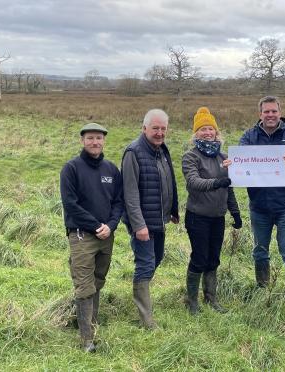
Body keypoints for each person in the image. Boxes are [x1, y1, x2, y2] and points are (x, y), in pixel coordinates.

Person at [239, 96, 285, 309]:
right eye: (266, 111)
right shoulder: (249, 136)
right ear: (260, 114)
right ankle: (263, 290)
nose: (270, 115)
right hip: (259, 206)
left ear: (280, 112)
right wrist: (234, 165)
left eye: (274, 111)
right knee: (260, 250)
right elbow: (241, 162)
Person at [60, 123, 123, 352]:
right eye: (90, 138)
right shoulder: (71, 168)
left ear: (104, 141)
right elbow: (70, 204)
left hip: (107, 236)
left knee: (98, 280)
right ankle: (87, 339)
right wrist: (96, 225)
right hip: (81, 236)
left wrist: (112, 225)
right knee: (84, 285)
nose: (95, 142)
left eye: (98, 138)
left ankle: (91, 323)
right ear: (82, 141)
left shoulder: (111, 169)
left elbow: (118, 202)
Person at [122, 109, 179, 329]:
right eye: (155, 128)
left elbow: (169, 181)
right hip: (143, 223)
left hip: (159, 219)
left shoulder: (162, 150)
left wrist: (172, 210)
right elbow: (130, 193)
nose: (159, 132)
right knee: (146, 265)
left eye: (163, 128)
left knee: (158, 258)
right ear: (144, 128)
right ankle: (146, 319)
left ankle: (140, 294)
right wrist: (138, 225)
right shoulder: (133, 152)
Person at [182, 107, 242, 315]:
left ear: (217, 133)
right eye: (203, 129)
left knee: (213, 258)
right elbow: (193, 182)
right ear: (195, 133)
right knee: (199, 257)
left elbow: (229, 186)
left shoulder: (224, 157)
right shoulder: (191, 157)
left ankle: (211, 298)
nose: (207, 133)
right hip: (197, 216)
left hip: (218, 217)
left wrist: (234, 212)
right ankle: (192, 301)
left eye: (211, 129)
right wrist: (217, 182)